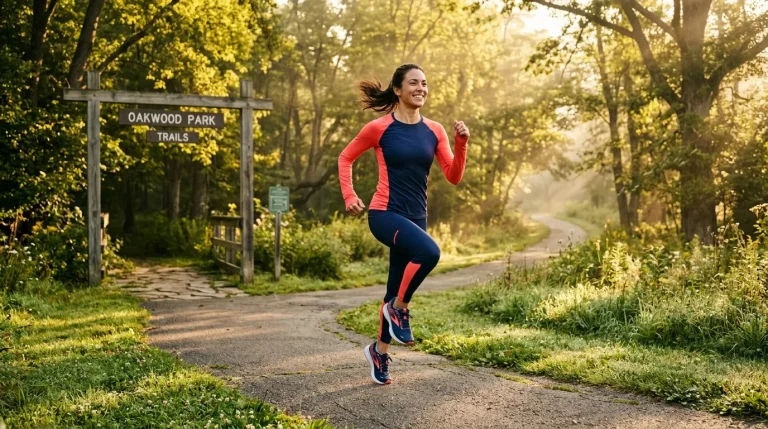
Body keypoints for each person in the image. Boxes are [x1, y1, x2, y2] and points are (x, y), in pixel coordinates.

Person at [337, 64, 470, 385]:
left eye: (424, 83)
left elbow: (453, 176)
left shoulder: (435, 130)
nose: (421, 88)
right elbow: (345, 157)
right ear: (398, 90)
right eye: (413, 83)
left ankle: (379, 351)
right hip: (384, 213)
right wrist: (349, 195)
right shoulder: (379, 128)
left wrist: (461, 143)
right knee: (430, 252)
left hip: (416, 217)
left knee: (393, 286)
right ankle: (399, 309)